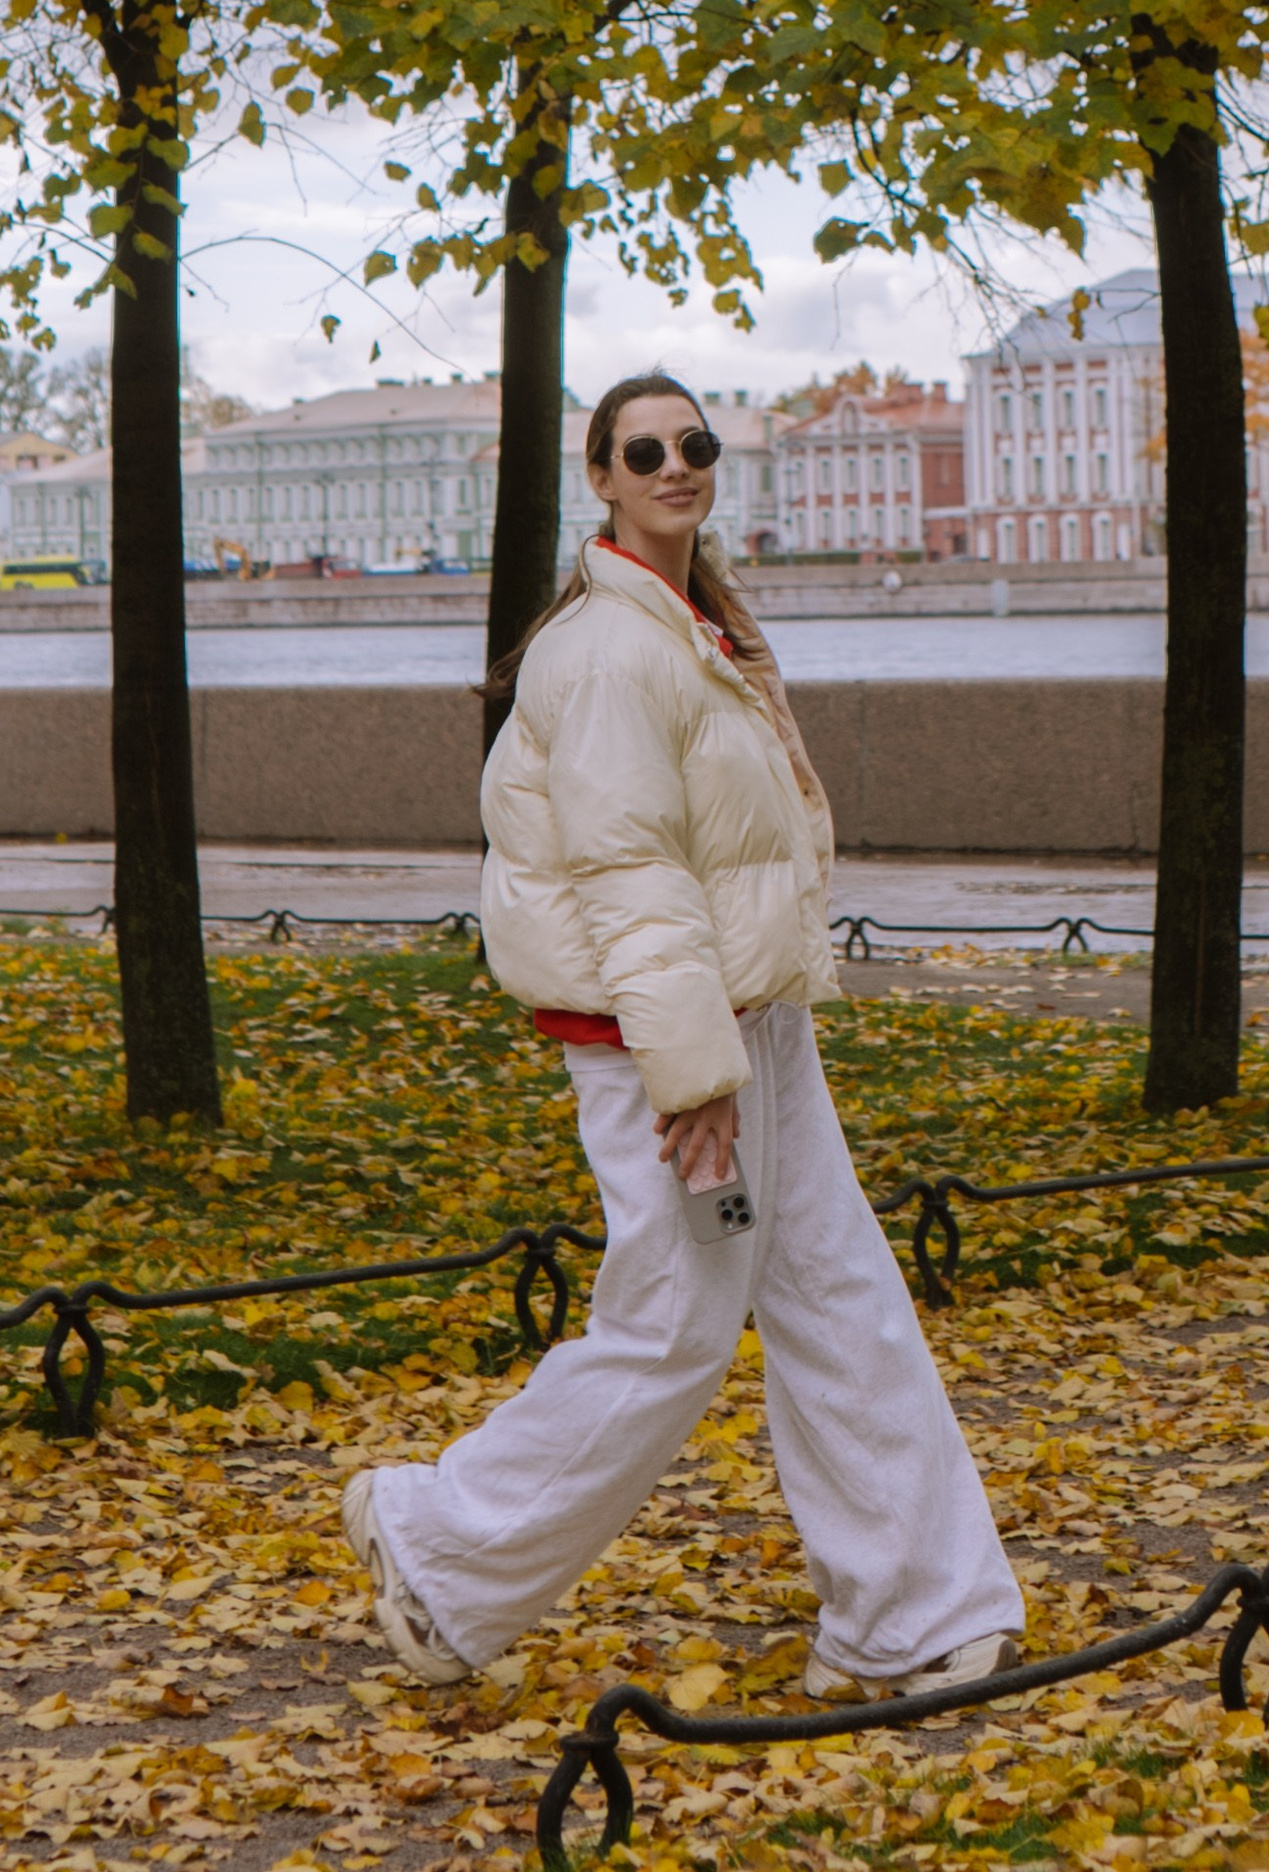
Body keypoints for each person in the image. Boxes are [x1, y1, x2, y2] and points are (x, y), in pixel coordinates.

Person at [339, 369, 1025, 1697]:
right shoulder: (603, 652)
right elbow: (631, 874)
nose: (674, 465)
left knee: (838, 1299)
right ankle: (435, 1541)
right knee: (672, 1327)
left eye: (694, 444)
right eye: (642, 449)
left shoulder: (692, 627)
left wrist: (736, 1038)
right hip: (666, 1046)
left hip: (747, 1025)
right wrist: (692, 1072)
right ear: (600, 476)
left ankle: (914, 1615)